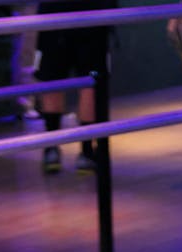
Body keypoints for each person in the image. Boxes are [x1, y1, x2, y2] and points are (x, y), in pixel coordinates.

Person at [36, 0, 111, 174]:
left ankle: (51, 149)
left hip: (53, 12)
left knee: (52, 77)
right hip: (92, 13)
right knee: (90, 80)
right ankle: (86, 153)